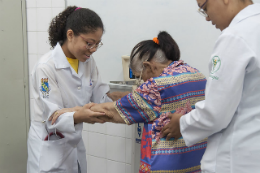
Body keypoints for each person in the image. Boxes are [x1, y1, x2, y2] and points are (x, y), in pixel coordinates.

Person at [54, 31, 208, 172]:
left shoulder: (155, 86)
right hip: (196, 162)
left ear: (148, 66)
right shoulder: (197, 75)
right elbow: (149, 102)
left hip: (165, 166)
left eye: (139, 76)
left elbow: (110, 112)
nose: (141, 82)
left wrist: (71, 111)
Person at [161, 0, 260, 173]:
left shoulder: (235, 37)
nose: (207, 18)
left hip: (234, 161)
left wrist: (181, 123)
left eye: (204, 8)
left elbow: (215, 113)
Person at [27, 6, 123, 173]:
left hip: (73, 145)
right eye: (89, 43)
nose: (93, 50)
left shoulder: (87, 62)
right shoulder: (46, 67)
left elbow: (101, 97)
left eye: (97, 44)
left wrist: (130, 99)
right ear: (70, 35)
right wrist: (81, 115)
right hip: (50, 146)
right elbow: (53, 118)